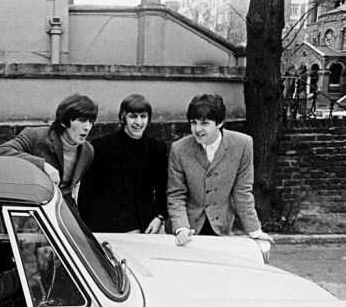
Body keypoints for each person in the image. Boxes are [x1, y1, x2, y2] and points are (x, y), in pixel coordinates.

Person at [166, 93, 273, 246]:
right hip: (187, 229)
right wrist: (181, 228)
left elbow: (242, 192)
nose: (197, 129)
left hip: (220, 227)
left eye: (204, 123)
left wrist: (255, 231)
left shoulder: (243, 145)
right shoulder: (179, 148)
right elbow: (176, 193)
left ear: (220, 122)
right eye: (193, 122)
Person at [78, 93, 168, 233]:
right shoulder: (100, 147)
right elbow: (86, 192)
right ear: (123, 117)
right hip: (102, 226)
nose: (138, 122)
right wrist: (85, 228)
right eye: (133, 116)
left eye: (143, 116)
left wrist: (159, 217)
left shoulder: (157, 149)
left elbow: (164, 189)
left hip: (141, 226)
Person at [0, 93, 97, 206]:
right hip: (29, 204)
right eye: (81, 120)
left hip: (62, 206)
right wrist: (43, 166)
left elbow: (69, 188)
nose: (87, 127)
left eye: (91, 121)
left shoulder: (88, 151)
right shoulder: (35, 136)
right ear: (63, 122)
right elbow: (0, 151)